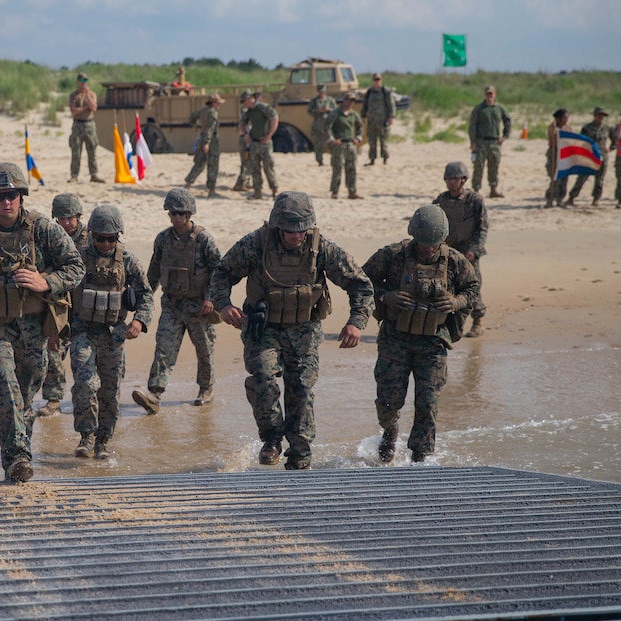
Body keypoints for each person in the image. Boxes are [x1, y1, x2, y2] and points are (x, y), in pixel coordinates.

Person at [211, 191, 374, 470]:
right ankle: (272, 438)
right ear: (277, 225)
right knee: (261, 379)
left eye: (301, 230)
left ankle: (300, 453)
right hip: (264, 328)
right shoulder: (256, 244)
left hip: (304, 329)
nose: (296, 235)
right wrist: (224, 306)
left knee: (300, 388)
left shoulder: (321, 248)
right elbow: (222, 273)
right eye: (289, 230)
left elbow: (360, 284)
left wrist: (356, 322)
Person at [0, 163, 85, 483]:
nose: (6, 202)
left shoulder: (43, 228)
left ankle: (19, 453)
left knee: (25, 399)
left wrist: (45, 282)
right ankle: (17, 458)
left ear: (21, 195)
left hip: (32, 326)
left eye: (12, 195)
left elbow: (75, 267)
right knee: (4, 379)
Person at [362, 205, 480, 464]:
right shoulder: (392, 255)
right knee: (388, 403)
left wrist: (456, 302)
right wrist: (386, 296)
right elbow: (362, 280)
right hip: (395, 339)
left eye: (434, 244)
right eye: (424, 243)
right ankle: (390, 432)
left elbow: (472, 288)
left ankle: (420, 456)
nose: (429, 249)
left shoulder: (455, 261)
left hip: (433, 341)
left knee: (428, 403)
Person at [69, 205, 153, 460]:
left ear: (119, 236)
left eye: (111, 238)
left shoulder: (127, 260)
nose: (105, 243)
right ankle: (86, 436)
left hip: (113, 333)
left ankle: (103, 441)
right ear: (91, 234)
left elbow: (145, 294)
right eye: (100, 238)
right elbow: (59, 291)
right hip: (82, 330)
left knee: (109, 390)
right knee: (85, 384)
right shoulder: (77, 258)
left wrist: (139, 320)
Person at [132, 188, 222, 414]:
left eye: (181, 213)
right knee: (164, 349)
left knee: (204, 350)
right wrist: (145, 296)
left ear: (189, 214)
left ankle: (206, 388)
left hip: (198, 306)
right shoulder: (163, 239)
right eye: (173, 213)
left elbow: (219, 271)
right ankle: (155, 394)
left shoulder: (203, 240)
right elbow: (153, 270)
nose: (177, 217)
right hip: (172, 305)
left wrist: (211, 298)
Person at [37, 193, 91, 418]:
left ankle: (89, 400)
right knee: (53, 354)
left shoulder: (92, 238)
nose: (67, 223)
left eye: (71, 218)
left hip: (86, 307)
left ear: (78, 216)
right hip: (59, 306)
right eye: (62, 218)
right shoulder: (50, 237)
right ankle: (53, 399)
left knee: (86, 359)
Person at [432, 161, 488, 338]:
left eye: (455, 178)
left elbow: (483, 227)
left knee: (472, 286)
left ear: (463, 180)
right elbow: (431, 221)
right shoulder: (441, 201)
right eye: (448, 178)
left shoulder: (474, 201)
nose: (451, 182)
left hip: (468, 251)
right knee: (445, 286)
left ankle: (478, 321)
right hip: (447, 250)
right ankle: (449, 323)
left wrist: (475, 249)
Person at [468, 86, 511, 198]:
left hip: (495, 142)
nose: (489, 96)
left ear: (495, 95)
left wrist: (505, 136)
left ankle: (493, 189)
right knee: (478, 166)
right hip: (481, 142)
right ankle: (476, 189)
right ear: (484, 95)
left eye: (491, 94)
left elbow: (508, 121)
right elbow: (472, 125)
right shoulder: (479, 109)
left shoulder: (499, 108)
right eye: (488, 94)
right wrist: (473, 142)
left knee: (494, 166)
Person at [566, 108, 614, 207]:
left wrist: (610, 148)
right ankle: (572, 197)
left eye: (602, 116)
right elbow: (580, 140)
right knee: (582, 177)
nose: (601, 118)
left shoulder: (606, 128)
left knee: (599, 179)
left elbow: (615, 139)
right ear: (595, 116)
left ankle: (596, 198)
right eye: (599, 115)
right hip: (589, 156)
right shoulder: (587, 128)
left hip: (601, 156)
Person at [239, 90, 279, 200]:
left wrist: (269, 136)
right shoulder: (249, 111)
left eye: (244, 101)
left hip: (264, 143)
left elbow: (275, 118)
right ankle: (257, 192)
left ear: (249, 99)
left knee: (268, 168)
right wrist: (245, 135)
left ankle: (274, 191)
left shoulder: (263, 107)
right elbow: (242, 123)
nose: (243, 103)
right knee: (255, 169)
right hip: (254, 143)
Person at [184, 93, 224, 198]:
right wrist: (207, 142)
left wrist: (198, 127)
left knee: (199, 163)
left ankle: (188, 183)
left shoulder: (203, 111)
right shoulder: (213, 113)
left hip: (202, 137)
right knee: (213, 165)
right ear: (214, 103)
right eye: (218, 103)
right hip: (211, 140)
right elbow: (210, 129)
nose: (219, 105)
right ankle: (211, 190)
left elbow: (191, 118)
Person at [326, 93, 364, 200]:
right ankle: (335, 191)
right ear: (344, 100)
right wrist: (332, 140)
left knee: (352, 168)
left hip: (350, 144)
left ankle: (352, 191)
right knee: (337, 168)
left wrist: (358, 138)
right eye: (349, 100)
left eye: (353, 101)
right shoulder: (335, 113)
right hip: (339, 144)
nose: (350, 103)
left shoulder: (353, 114)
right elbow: (327, 127)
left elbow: (360, 126)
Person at [68, 73, 104, 183]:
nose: (84, 83)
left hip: (89, 124)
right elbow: (74, 111)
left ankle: (94, 174)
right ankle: (74, 175)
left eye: (85, 80)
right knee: (76, 151)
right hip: (78, 125)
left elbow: (93, 107)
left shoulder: (91, 94)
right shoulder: (74, 96)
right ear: (78, 82)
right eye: (81, 80)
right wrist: (84, 108)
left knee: (92, 149)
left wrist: (87, 95)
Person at [361, 73, 396, 166]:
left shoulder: (385, 92)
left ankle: (385, 159)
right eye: (375, 79)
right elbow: (365, 105)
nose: (377, 81)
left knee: (383, 141)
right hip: (372, 121)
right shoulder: (369, 92)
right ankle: (372, 159)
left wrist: (391, 117)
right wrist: (363, 116)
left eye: (378, 79)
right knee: (372, 141)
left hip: (382, 120)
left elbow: (391, 105)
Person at [545, 108, 572, 208]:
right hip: (555, 153)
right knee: (555, 178)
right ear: (559, 118)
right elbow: (551, 139)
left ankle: (560, 199)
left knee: (564, 178)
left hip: (565, 154)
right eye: (564, 118)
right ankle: (550, 199)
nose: (566, 120)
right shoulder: (553, 128)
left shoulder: (568, 128)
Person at [306, 84, 336, 167]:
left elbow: (336, 111)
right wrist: (317, 110)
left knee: (332, 143)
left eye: (323, 91)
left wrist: (329, 110)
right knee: (318, 144)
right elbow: (309, 111)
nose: (321, 93)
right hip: (317, 125)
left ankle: (334, 160)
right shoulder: (314, 101)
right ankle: (320, 161)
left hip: (328, 125)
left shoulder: (330, 100)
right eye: (320, 92)